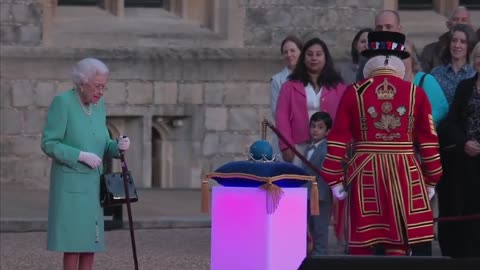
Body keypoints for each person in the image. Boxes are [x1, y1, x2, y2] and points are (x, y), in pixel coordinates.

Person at [321, 31, 443, 256]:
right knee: (400, 241)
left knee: (364, 243)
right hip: (405, 173)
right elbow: (428, 142)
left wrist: (334, 179)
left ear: (370, 59)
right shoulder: (415, 93)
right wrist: (431, 179)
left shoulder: (353, 93)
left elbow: (337, 139)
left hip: (365, 174)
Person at [41, 58, 131, 270]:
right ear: (82, 83)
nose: (101, 92)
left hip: (93, 186)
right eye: (97, 86)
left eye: (104, 86)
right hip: (71, 185)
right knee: (73, 243)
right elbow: (49, 143)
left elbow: (102, 144)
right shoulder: (63, 103)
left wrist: (118, 146)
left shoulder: (99, 107)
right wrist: (79, 155)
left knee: (92, 241)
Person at [436, 42, 480, 258]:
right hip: (465, 160)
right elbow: (449, 122)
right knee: (463, 212)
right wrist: (464, 143)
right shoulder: (465, 86)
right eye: (479, 57)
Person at [275, 38, 346, 167]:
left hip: (329, 146)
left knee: (324, 184)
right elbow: (282, 117)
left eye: (318, 54)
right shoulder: (289, 85)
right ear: (303, 58)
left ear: (326, 58)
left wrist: (341, 145)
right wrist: (286, 146)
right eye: (309, 54)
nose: (314, 58)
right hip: (299, 145)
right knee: (300, 184)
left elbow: (344, 117)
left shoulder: (338, 86)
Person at [303, 111, 333, 256]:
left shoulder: (327, 149)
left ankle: (320, 255)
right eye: (313, 126)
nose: (315, 130)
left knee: (320, 228)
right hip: (308, 194)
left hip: (321, 195)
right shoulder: (308, 148)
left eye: (320, 127)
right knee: (308, 226)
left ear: (327, 131)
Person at [270, 36, 303, 161]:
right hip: (286, 138)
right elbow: (277, 112)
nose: (289, 54)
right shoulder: (277, 80)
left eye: (293, 51)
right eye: (285, 52)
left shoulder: (311, 77)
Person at [403, 41, 449, 126]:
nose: (400, 58)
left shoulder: (425, 80)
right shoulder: (387, 82)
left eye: (404, 55)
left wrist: (421, 119)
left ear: (413, 59)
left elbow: (441, 109)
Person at [431, 23, 477, 105]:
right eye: (454, 40)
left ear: (469, 45)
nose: (457, 45)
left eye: (463, 42)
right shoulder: (436, 73)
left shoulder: (474, 73)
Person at [355, 10, 403, 82]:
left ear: (399, 29)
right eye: (379, 27)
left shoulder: (408, 56)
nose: (383, 30)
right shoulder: (366, 59)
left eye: (388, 27)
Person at [421, 6, 471, 73]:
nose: (459, 23)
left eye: (464, 20)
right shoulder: (430, 51)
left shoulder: (476, 51)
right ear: (448, 24)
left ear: (470, 25)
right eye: (455, 19)